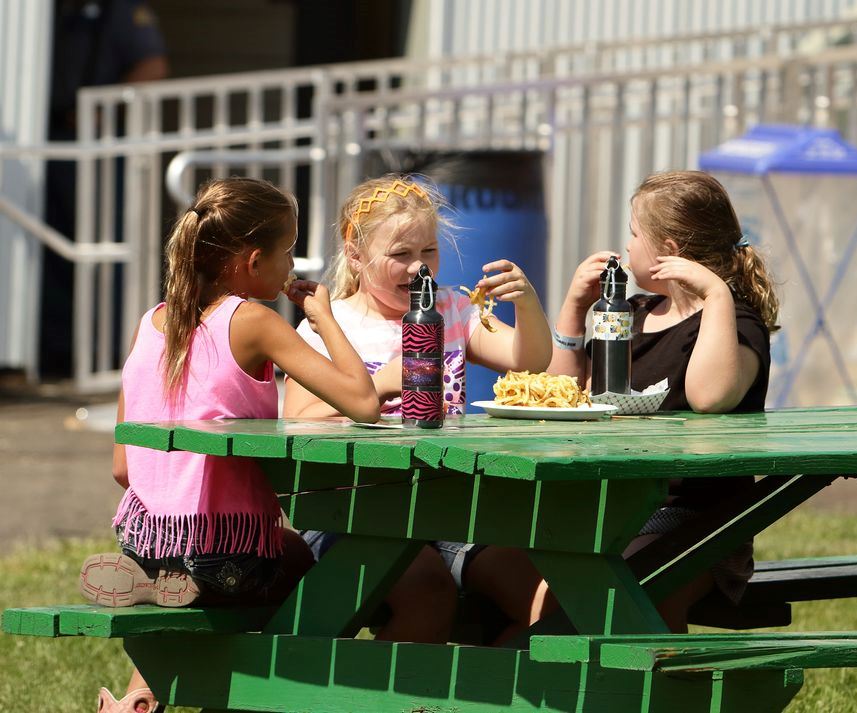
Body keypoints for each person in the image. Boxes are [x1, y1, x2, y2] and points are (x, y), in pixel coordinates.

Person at [79, 177, 379, 712]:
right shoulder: (253, 321)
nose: (292, 266)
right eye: (287, 253)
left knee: (209, 586)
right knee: (323, 571)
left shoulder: (151, 324)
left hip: (143, 542)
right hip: (224, 555)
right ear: (252, 260)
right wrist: (325, 319)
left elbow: (124, 468)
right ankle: (258, 696)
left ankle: (140, 696)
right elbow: (362, 401)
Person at [282, 174, 555, 644]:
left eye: (428, 252)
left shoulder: (451, 309)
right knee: (427, 593)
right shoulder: (331, 324)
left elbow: (528, 360)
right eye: (400, 255)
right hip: (353, 507)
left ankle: (480, 696)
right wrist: (375, 388)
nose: (418, 268)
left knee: (547, 600)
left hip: (449, 506)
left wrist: (526, 303)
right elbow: (297, 417)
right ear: (356, 256)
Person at [544, 169, 779, 632]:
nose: (627, 247)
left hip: (698, 521)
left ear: (668, 251)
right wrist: (574, 309)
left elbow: (710, 397)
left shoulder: (736, 326)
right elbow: (564, 396)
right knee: (534, 590)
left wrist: (715, 294)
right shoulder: (630, 314)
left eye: (634, 234)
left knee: (628, 589)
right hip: (616, 507)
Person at [43, 0, 170, 376]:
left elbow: (153, 66)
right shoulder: (57, 12)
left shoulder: (122, 12)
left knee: (108, 252)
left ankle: (114, 355)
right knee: (52, 255)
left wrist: (101, 113)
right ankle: (57, 353)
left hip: (98, 147)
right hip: (53, 138)